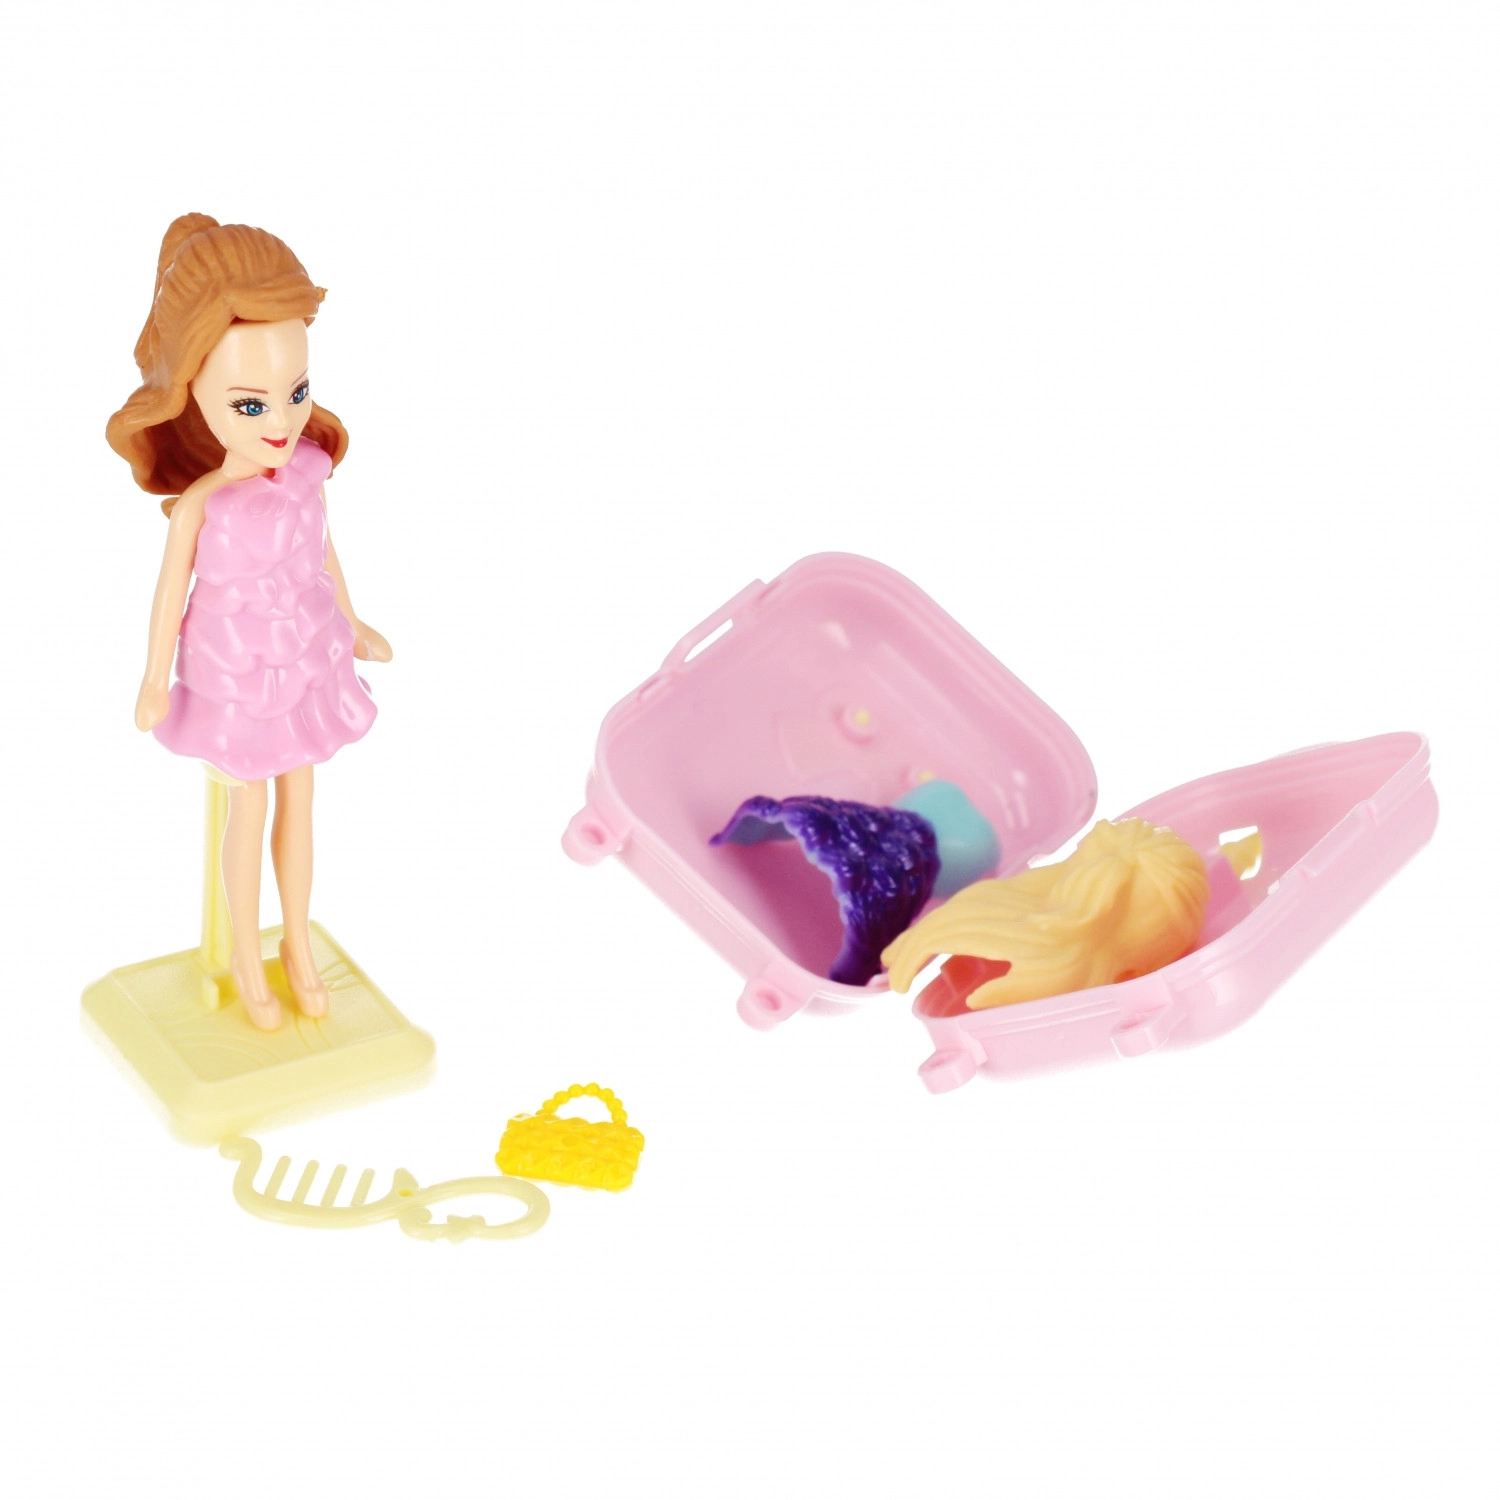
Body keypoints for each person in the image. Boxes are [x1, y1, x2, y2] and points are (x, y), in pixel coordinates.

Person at [107, 215, 390, 1030]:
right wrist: (153, 680)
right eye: (250, 403)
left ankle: (295, 941)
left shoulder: (307, 472)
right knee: (250, 806)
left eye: (297, 393)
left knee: (303, 798)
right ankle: (241, 955)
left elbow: (323, 551)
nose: (282, 422)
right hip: (234, 669)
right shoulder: (203, 503)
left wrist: (354, 620)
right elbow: (170, 592)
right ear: (193, 394)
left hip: (305, 653)